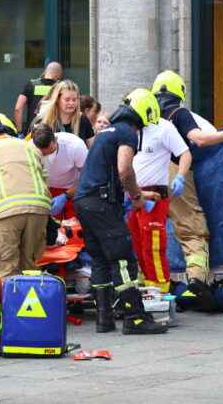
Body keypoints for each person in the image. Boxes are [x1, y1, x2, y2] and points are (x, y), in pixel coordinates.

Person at [74, 89, 167, 335]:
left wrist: (139, 193)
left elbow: (110, 174)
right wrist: (137, 197)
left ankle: (104, 320)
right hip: (102, 203)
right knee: (124, 257)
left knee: (101, 260)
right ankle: (135, 317)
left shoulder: (107, 132)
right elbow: (124, 170)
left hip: (85, 202)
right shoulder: (127, 131)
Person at [152, 70, 223, 309]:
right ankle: (196, 282)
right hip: (174, 172)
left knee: (150, 232)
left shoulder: (148, 114)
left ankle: (152, 287)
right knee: (192, 229)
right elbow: (199, 139)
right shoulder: (179, 113)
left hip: (145, 176)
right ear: (179, 92)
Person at [0, 113, 52, 279]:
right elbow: (44, 182)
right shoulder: (30, 147)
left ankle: (12, 305)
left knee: (8, 267)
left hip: (5, 211)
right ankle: (33, 302)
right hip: (39, 210)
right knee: (30, 266)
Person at [130, 111, 192, 291]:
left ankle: (160, 288)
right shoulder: (130, 129)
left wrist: (180, 176)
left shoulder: (164, 128)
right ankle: (145, 287)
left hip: (155, 195)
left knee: (153, 245)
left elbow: (185, 154)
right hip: (132, 194)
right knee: (137, 245)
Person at [31, 123, 87, 221]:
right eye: (44, 153)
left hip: (73, 190)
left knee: (74, 228)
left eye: (51, 150)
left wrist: (66, 196)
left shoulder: (75, 145)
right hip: (47, 190)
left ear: (55, 139)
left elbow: (87, 178)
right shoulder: (30, 148)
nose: (48, 156)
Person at [35, 80, 95, 146]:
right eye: (67, 100)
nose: (71, 103)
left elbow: (92, 148)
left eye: (74, 99)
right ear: (57, 99)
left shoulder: (83, 119)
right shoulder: (43, 120)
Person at [14, 61, 62, 134]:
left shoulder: (32, 85)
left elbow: (18, 108)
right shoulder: (61, 87)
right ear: (58, 75)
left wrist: (19, 132)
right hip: (54, 133)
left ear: (45, 71)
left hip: (33, 132)